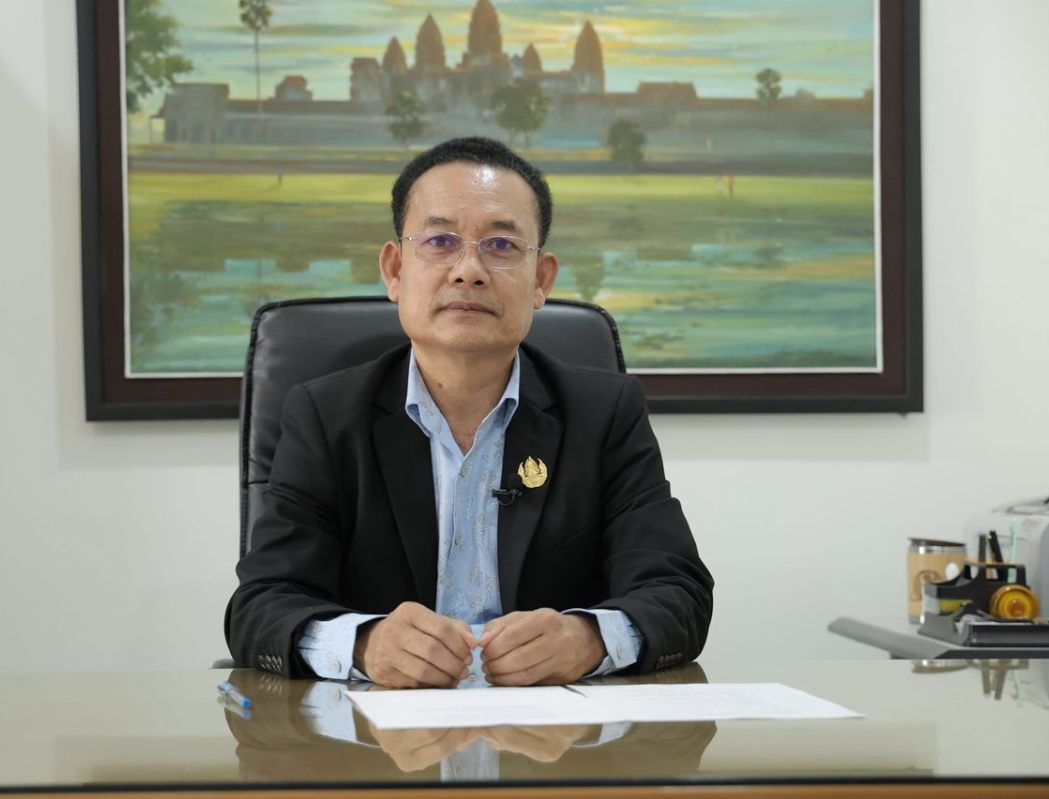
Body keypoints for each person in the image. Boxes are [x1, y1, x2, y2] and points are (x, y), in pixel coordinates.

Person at [225, 136, 712, 687]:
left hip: (555, 730)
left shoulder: (603, 414)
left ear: (541, 280)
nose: (469, 270)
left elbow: (679, 593)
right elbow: (260, 607)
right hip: (379, 731)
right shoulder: (326, 415)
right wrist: (363, 645)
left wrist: (589, 638)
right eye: (440, 241)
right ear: (395, 270)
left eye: (501, 245)